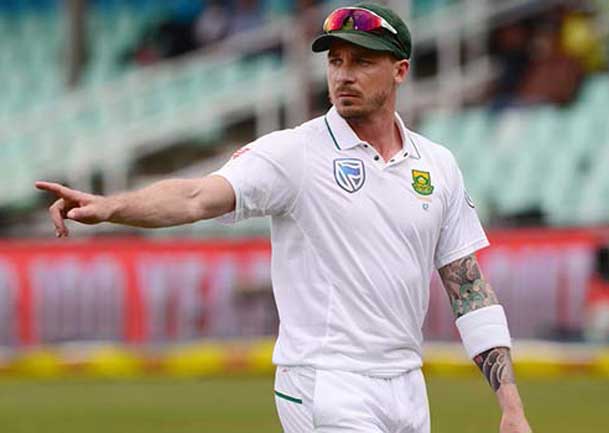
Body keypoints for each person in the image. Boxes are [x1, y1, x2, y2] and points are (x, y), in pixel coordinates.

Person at [36, 3, 531, 433]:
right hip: (323, 380)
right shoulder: (295, 152)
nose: (344, 75)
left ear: (400, 71)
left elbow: (468, 287)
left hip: (407, 384)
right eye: (335, 61)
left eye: (362, 61)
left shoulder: (437, 165)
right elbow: (196, 197)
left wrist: (511, 406)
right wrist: (111, 207)